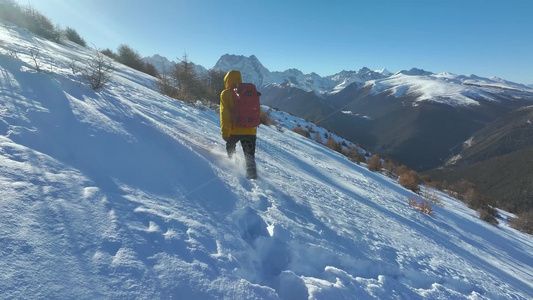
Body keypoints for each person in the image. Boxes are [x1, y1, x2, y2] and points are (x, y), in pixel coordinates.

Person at [220, 70, 260, 179]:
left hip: (234, 130)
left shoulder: (226, 93)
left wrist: (225, 132)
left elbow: (225, 114)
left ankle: (233, 167)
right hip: (250, 131)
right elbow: (258, 111)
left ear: (227, 80)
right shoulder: (249, 91)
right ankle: (253, 179)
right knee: (250, 156)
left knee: (230, 147)